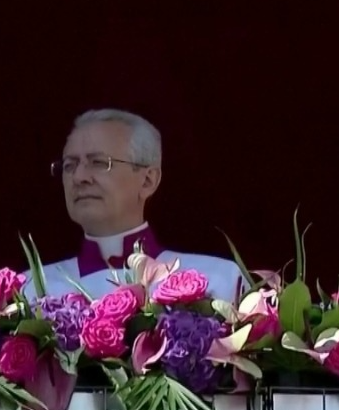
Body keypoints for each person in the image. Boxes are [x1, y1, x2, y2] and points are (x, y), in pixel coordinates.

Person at [28, 108, 245, 300]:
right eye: (69, 165)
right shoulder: (28, 292)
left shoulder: (218, 281)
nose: (79, 177)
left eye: (99, 163)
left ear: (148, 180)